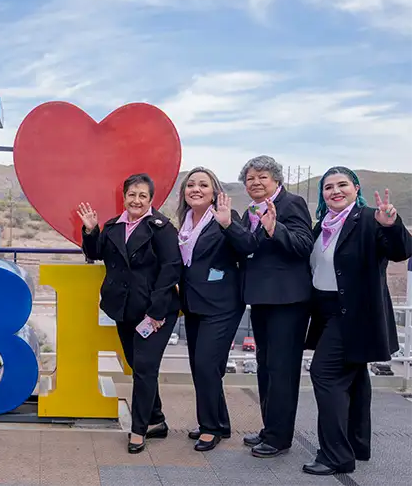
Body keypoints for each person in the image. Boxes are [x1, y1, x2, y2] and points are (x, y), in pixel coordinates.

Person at [302, 167, 412, 476]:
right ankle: (357, 444)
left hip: (351, 314)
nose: (335, 191)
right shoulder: (322, 226)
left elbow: (400, 250)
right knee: (356, 380)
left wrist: (391, 225)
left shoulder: (368, 219)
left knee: (324, 374)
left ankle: (336, 456)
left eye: (342, 185)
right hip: (325, 313)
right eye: (328, 187)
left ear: (356, 188)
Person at [77, 173, 182, 454]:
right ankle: (157, 420)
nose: (136, 200)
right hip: (124, 309)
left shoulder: (162, 229)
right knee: (139, 367)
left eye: (142, 196)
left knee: (145, 369)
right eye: (132, 195)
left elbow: (171, 269)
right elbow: (96, 253)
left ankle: (138, 430)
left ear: (151, 199)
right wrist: (91, 230)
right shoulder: (113, 227)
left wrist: (157, 312)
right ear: (124, 197)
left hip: (155, 312)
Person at [222, 155, 314, 458]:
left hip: (288, 302)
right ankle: (269, 428)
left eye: (262, 177)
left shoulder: (291, 204)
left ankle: (279, 438)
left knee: (282, 370)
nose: (255, 183)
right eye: (250, 178)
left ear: (276, 179)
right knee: (266, 368)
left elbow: (304, 244)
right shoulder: (252, 210)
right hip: (262, 299)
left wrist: (276, 229)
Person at [175, 168, 245, 452]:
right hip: (193, 304)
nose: (196, 189)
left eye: (203, 184)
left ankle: (210, 427)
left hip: (222, 304)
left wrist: (229, 225)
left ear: (215, 191)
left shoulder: (226, 217)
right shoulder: (185, 220)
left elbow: (247, 248)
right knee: (203, 366)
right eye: (191, 184)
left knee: (205, 365)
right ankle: (221, 422)